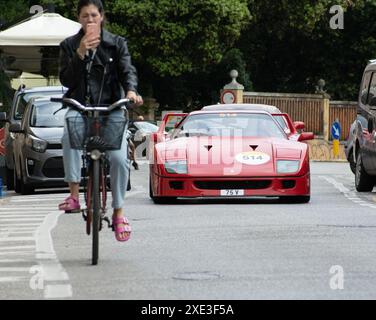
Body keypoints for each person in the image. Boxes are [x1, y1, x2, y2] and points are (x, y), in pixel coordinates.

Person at [58, 0, 143, 242]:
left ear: (102, 17)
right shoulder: (68, 45)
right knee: (68, 133)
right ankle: (74, 194)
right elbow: (66, 79)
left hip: (111, 108)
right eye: (85, 16)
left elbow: (128, 71)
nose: (90, 20)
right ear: (79, 18)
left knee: (118, 158)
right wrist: (80, 52)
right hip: (80, 107)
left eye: (94, 15)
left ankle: (118, 212)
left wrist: (131, 91)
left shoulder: (116, 44)